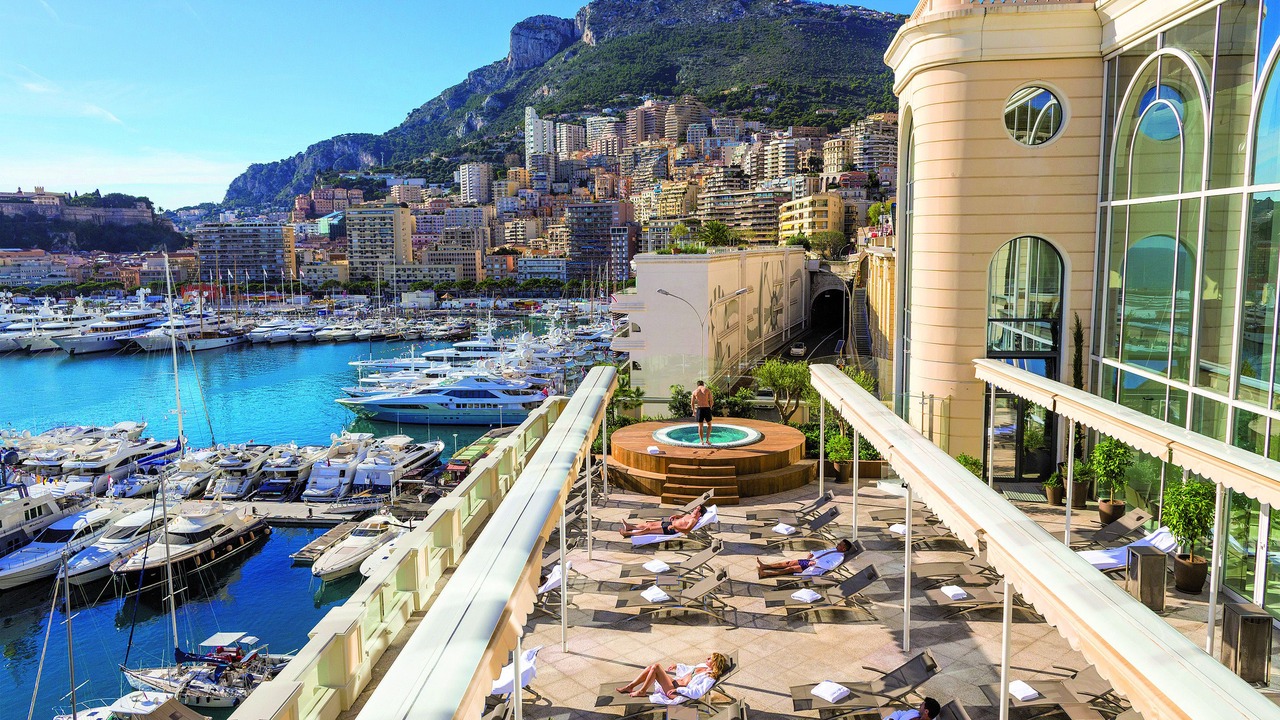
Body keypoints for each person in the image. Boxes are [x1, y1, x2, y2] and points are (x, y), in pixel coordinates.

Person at [615, 652, 730, 700]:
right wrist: (677, 666)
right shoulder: (703, 666)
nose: (707, 658)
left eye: (710, 658)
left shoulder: (709, 677)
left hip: (678, 693)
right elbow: (689, 670)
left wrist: (678, 689)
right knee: (651, 668)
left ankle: (642, 691)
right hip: (674, 684)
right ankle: (631, 686)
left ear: (715, 663)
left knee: (656, 667)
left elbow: (697, 693)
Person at [756, 538, 855, 578]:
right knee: (788, 563)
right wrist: (812, 554)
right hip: (810, 561)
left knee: (790, 569)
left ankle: (765, 574)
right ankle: (765, 566)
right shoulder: (834, 550)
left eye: (840, 544)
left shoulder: (839, 558)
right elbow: (822, 552)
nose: (837, 544)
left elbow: (830, 566)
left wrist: (815, 563)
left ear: (844, 548)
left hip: (815, 567)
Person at [619, 505, 706, 538]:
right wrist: (677, 516)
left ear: (700, 514)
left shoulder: (693, 520)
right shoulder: (690, 515)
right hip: (670, 524)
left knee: (648, 529)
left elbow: (686, 530)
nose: (694, 510)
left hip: (671, 529)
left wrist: (675, 527)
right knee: (649, 524)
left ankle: (628, 533)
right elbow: (684, 518)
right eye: (695, 508)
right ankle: (630, 527)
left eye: (697, 510)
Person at [692, 380, 714, 445]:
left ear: (697, 385)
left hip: (700, 408)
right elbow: (711, 401)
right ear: (703, 384)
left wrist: (694, 411)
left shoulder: (695, 392)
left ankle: (701, 441)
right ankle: (707, 440)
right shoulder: (707, 390)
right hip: (707, 408)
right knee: (709, 425)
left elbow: (692, 403)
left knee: (700, 426)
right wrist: (710, 407)